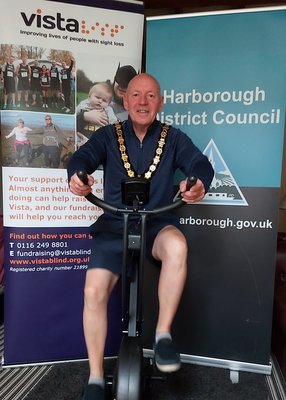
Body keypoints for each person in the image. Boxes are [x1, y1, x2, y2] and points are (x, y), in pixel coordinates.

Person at [67, 73, 214, 400]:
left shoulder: (173, 138)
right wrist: (77, 176)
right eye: (136, 95)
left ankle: (163, 335)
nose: (143, 102)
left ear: (160, 102)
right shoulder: (108, 136)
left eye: (150, 96)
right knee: (93, 292)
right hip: (114, 226)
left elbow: (200, 164)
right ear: (125, 100)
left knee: (177, 245)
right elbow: (82, 158)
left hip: (157, 224)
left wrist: (199, 181)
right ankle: (94, 378)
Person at [79, 64, 137, 129]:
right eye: (120, 82)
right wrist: (83, 116)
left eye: (126, 85)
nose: (121, 87)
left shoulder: (136, 112)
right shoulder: (98, 99)